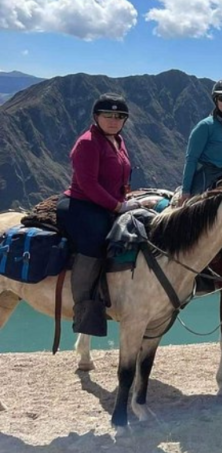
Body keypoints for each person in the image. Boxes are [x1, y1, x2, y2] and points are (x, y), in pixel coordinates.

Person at [56, 93, 152, 336]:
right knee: (96, 243)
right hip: (81, 204)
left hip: (109, 203)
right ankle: (85, 307)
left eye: (119, 116)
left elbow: (119, 179)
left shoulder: (118, 142)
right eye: (107, 115)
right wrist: (118, 207)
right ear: (96, 116)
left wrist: (129, 199)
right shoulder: (88, 142)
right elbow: (88, 184)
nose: (113, 120)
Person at [179, 79, 222, 202]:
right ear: (216, 100)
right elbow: (191, 159)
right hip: (204, 184)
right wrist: (186, 191)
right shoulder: (205, 126)